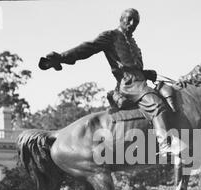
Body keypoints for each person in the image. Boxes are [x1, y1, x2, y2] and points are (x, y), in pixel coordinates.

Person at [39, 8, 179, 157]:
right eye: (129, 19)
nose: (132, 24)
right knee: (155, 103)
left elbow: (132, 66)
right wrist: (61, 57)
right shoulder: (111, 36)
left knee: (169, 94)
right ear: (121, 19)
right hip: (129, 85)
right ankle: (164, 146)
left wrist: (146, 73)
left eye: (136, 22)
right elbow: (87, 48)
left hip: (140, 82)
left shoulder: (132, 42)